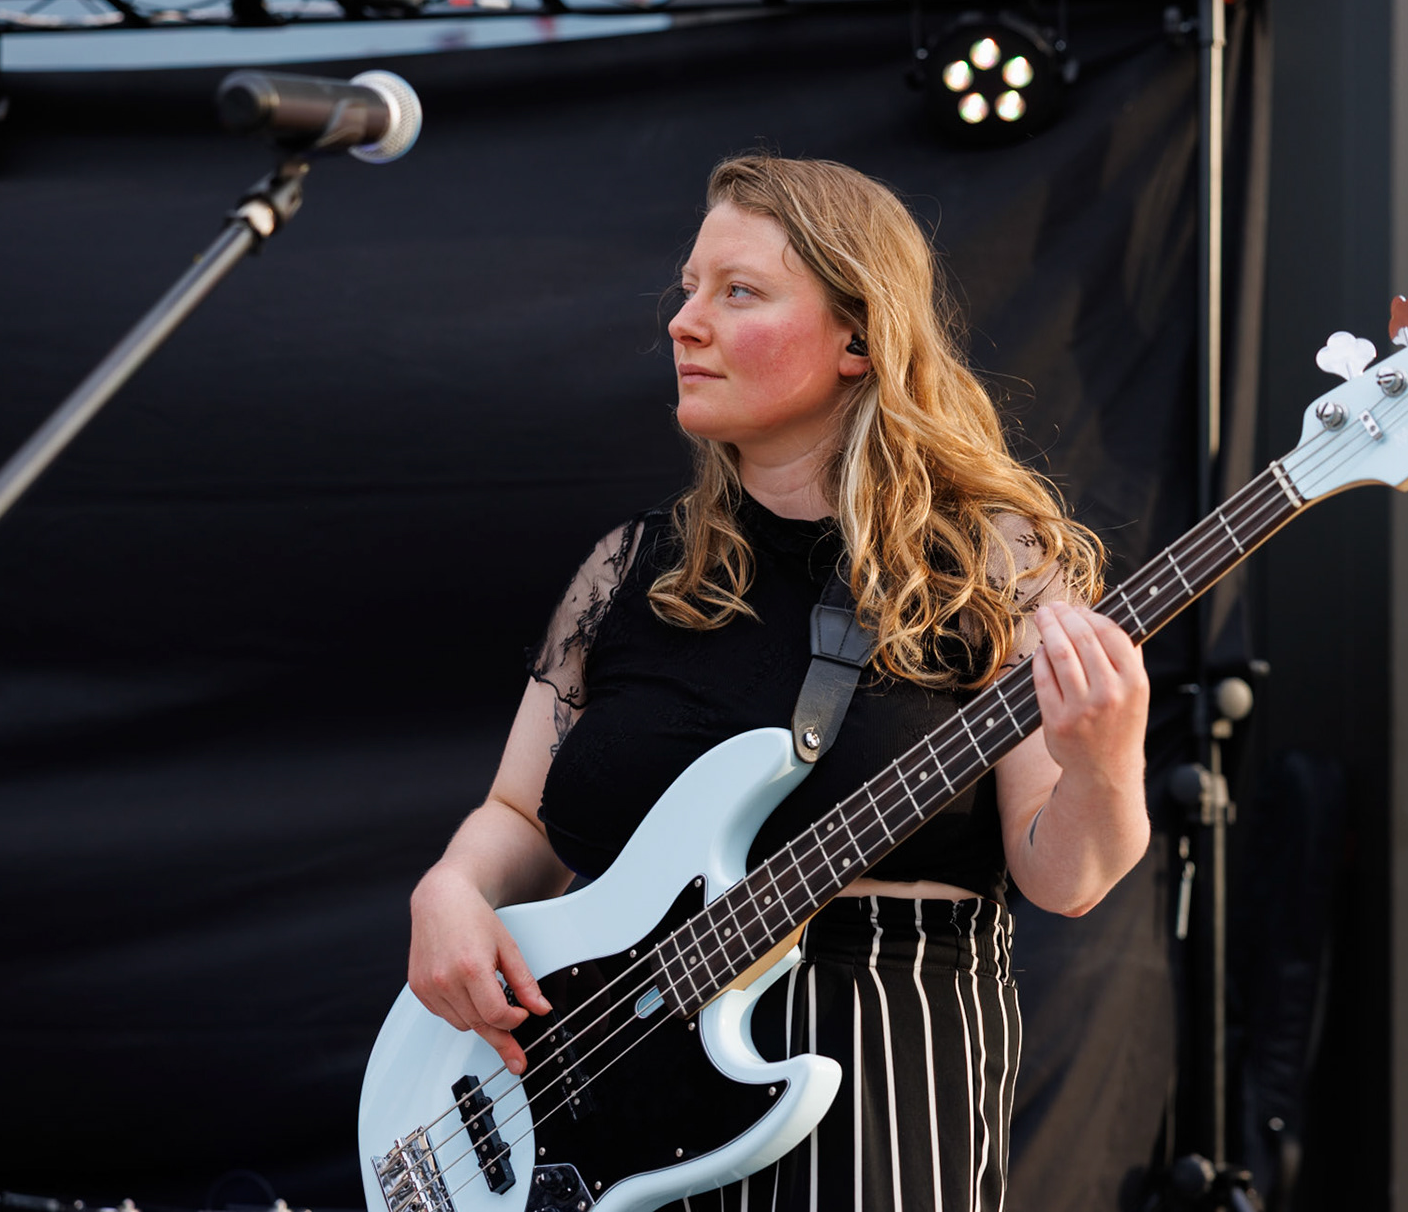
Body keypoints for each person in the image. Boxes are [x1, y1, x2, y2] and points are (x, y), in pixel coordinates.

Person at [406, 154, 1150, 1211]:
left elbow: (1066, 877)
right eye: (688, 289)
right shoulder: (631, 569)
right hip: (592, 1088)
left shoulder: (993, 569)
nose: (684, 323)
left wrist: (1106, 763)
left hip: (872, 1066)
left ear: (860, 338)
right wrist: (451, 888)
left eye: (739, 291)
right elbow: (520, 814)